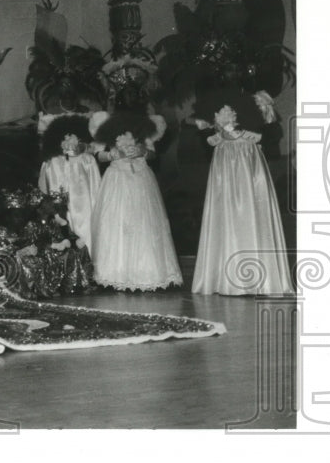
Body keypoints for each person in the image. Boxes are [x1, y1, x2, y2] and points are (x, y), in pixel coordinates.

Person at [88, 59, 182, 291]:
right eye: (126, 93)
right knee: (117, 223)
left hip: (140, 176)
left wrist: (142, 151)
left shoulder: (148, 123)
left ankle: (147, 273)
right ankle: (114, 274)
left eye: (134, 93)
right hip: (118, 177)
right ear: (118, 96)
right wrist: (115, 154)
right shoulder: (104, 122)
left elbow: (152, 153)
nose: (130, 98)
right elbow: (98, 154)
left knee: (144, 223)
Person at [191, 89, 293, 295]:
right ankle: (222, 276)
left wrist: (240, 134)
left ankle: (260, 277)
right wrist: (221, 134)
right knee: (225, 212)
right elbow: (206, 140)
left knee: (252, 209)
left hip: (248, 160)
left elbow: (271, 135)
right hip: (224, 162)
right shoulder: (212, 100)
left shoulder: (257, 101)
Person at [36, 112, 101, 251]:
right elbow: (44, 186)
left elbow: (96, 185)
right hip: (62, 207)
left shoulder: (87, 160)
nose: (67, 139)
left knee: (86, 229)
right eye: (63, 137)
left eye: (70, 136)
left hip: (84, 205)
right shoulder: (51, 162)